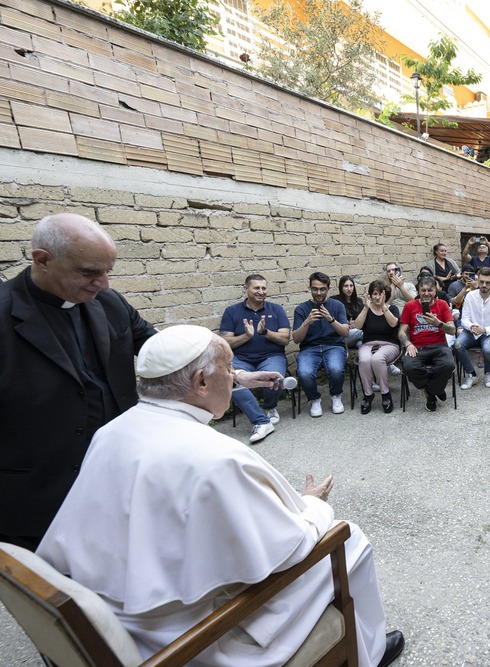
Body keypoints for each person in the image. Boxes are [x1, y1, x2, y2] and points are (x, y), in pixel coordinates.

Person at [36, 326, 405, 666]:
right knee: (350, 538)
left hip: (129, 621)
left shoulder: (111, 432)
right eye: (230, 369)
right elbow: (285, 548)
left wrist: (239, 378)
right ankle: (366, 653)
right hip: (200, 636)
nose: (234, 377)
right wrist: (312, 505)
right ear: (199, 382)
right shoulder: (215, 457)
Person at [0, 214, 283, 551]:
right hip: (42, 489)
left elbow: (166, 354)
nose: (103, 283)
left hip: (119, 470)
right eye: (90, 272)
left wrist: (233, 375)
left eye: (108, 271)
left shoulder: (109, 303)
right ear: (43, 260)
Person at [219, 274, 291, 443]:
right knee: (229, 378)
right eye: (256, 288)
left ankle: (270, 407)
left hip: (271, 356)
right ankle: (261, 420)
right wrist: (247, 336)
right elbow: (224, 342)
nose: (261, 291)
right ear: (245, 289)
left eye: (264, 288)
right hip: (241, 358)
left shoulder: (276, 310)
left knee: (275, 375)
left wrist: (265, 332)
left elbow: (285, 339)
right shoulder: (232, 311)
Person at [293, 272, 350, 418]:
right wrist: (306, 322)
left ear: (328, 288)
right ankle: (315, 399)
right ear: (310, 288)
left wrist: (331, 319)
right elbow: (296, 339)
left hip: (334, 346)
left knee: (336, 368)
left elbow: (345, 333)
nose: (318, 293)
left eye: (322, 289)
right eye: (315, 289)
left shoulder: (337, 306)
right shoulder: (301, 309)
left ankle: (336, 396)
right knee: (304, 373)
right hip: (309, 349)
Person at [398, 276, 457, 411]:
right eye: (423, 290)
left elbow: (453, 330)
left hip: (439, 346)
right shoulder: (410, 306)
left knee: (448, 365)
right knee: (408, 366)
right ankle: (437, 388)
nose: (426, 293)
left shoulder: (442, 304)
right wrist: (407, 343)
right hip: (418, 347)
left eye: (430, 290)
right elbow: (402, 331)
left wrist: (438, 323)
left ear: (435, 290)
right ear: (418, 291)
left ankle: (431, 391)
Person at [454, 267, 490, 389]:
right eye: (481, 282)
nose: (484, 285)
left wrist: (484, 329)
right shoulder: (470, 296)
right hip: (472, 331)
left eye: (487, 282)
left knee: (488, 349)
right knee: (457, 344)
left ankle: (488, 373)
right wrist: (471, 326)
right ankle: (472, 374)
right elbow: (464, 318)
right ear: (477, 280)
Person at [356, 280, 400, 415]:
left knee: (377, 359)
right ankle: (368, 394)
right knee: (363, 360)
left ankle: (385, 393)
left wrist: (383, 306)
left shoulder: (392, 308)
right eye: (374, 294)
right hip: (368, 344)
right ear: (369, 295)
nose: (377, 297)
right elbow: (357, 326)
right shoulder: (366, 309)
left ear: (385, 295)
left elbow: (393, 324)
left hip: (389, 344)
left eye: (381, 294)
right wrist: (365, 308)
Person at [336, 275, 364, 349]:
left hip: (355, 335)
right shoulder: (335, 301)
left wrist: (356, 324)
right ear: (341, 288)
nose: (349, 289)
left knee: (361, 344)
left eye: (351, 286)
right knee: (362, 333)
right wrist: (346, 324)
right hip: (343, 335)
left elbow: (362, 319)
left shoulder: (359, 301)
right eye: (346, 286)